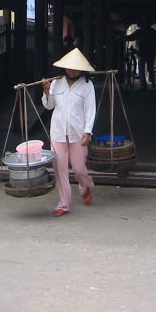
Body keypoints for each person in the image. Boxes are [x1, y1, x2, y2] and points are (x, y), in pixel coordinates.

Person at [41, 48, 96, 217]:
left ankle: (85, 186)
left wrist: (88, 131)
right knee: (60, 170)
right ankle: (63, 204)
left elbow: (90, 110)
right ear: (64, 67)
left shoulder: (87, 86)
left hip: (78, 133)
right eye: (69, 67)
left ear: (82, 69)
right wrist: (46, 90)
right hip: (58, 133)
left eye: (76, 67)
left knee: (79, 169)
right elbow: (49, 106)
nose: (72, 70)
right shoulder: (56, 83)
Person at [125, 20, 156, 90]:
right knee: (142, 70)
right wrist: (124, 37)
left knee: (149, 68)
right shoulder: (141, 32)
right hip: (143, 53)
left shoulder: (152, 32)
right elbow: (131, 37)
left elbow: (131, 37)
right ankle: (144, 85)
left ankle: (152, 80)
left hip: (149, 52)